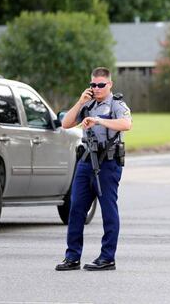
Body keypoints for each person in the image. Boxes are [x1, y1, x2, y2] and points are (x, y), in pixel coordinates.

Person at [55, 67, 132, 271]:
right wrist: (81, 102)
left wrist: (98, 120)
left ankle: (107, 258)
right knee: (76, 208)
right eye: (93, 85)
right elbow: (66, 123)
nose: (96, 88)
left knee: (108, 210)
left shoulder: (116, 104)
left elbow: (126, 124)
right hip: (87, 161)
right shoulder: (87, 104)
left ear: (109, 84)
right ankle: (72, 257)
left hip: (108, 162)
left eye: (101, 85)